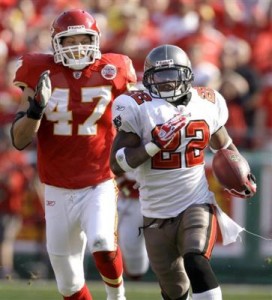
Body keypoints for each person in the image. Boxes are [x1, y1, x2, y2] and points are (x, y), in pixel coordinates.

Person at [110, 44, 257, 300]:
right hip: (155, 211)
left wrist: (240, 171)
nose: (167, 83)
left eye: (173, 75)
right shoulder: (137, 105)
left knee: (196, 259)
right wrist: (154, 144)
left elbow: (223, 144)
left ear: (188, 74)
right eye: (160, 76)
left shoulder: (207, 101)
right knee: (175, 291)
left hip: (195, 201)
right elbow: (118, 163)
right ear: (148, 78)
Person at [10, 9, 136, 300]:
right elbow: (19, 140)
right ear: (56, 43)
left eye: (84, 39)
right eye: (70, 40)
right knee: (68, 284)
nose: (78, 46)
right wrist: (35, 109)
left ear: (96, 40)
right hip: (56, 185)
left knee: (103, 240)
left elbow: (136, 119)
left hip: (99, 180)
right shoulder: (38, 71)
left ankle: (117, 297)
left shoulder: (115, 68)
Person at [116, 172, 149, 280]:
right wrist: (126, 190)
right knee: (130, 242)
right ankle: (135, 271)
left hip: (159, 197)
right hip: (130, 200)